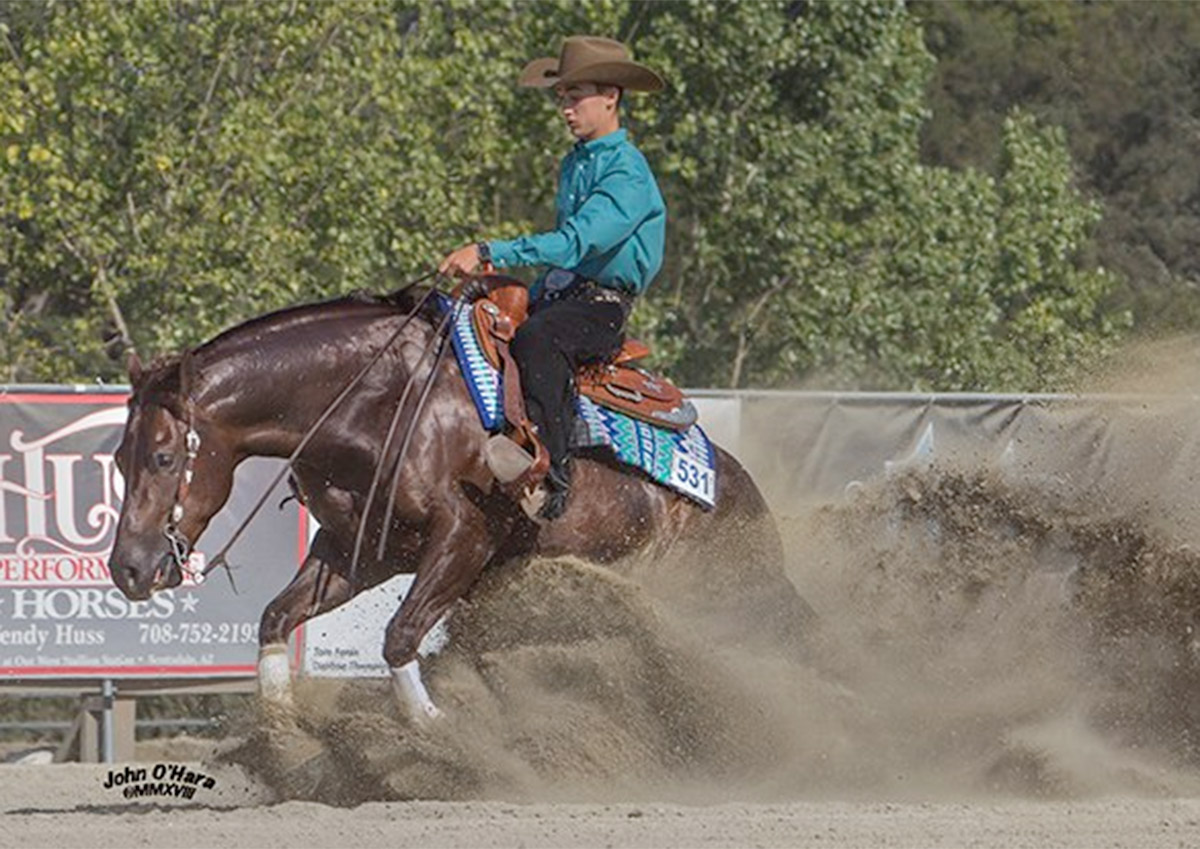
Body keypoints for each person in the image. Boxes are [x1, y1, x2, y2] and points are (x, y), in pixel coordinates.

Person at [439, 35, 667, 520]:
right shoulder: (576, 162)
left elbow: (576, 243)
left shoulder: (627, 172)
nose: (566, 109)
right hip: (561, 292)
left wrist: (488, 250)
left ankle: (552, 473)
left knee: (540, 338)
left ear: (612, 97)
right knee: (474, 323)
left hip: (600, 306)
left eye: (576, 96)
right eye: (561, 98)